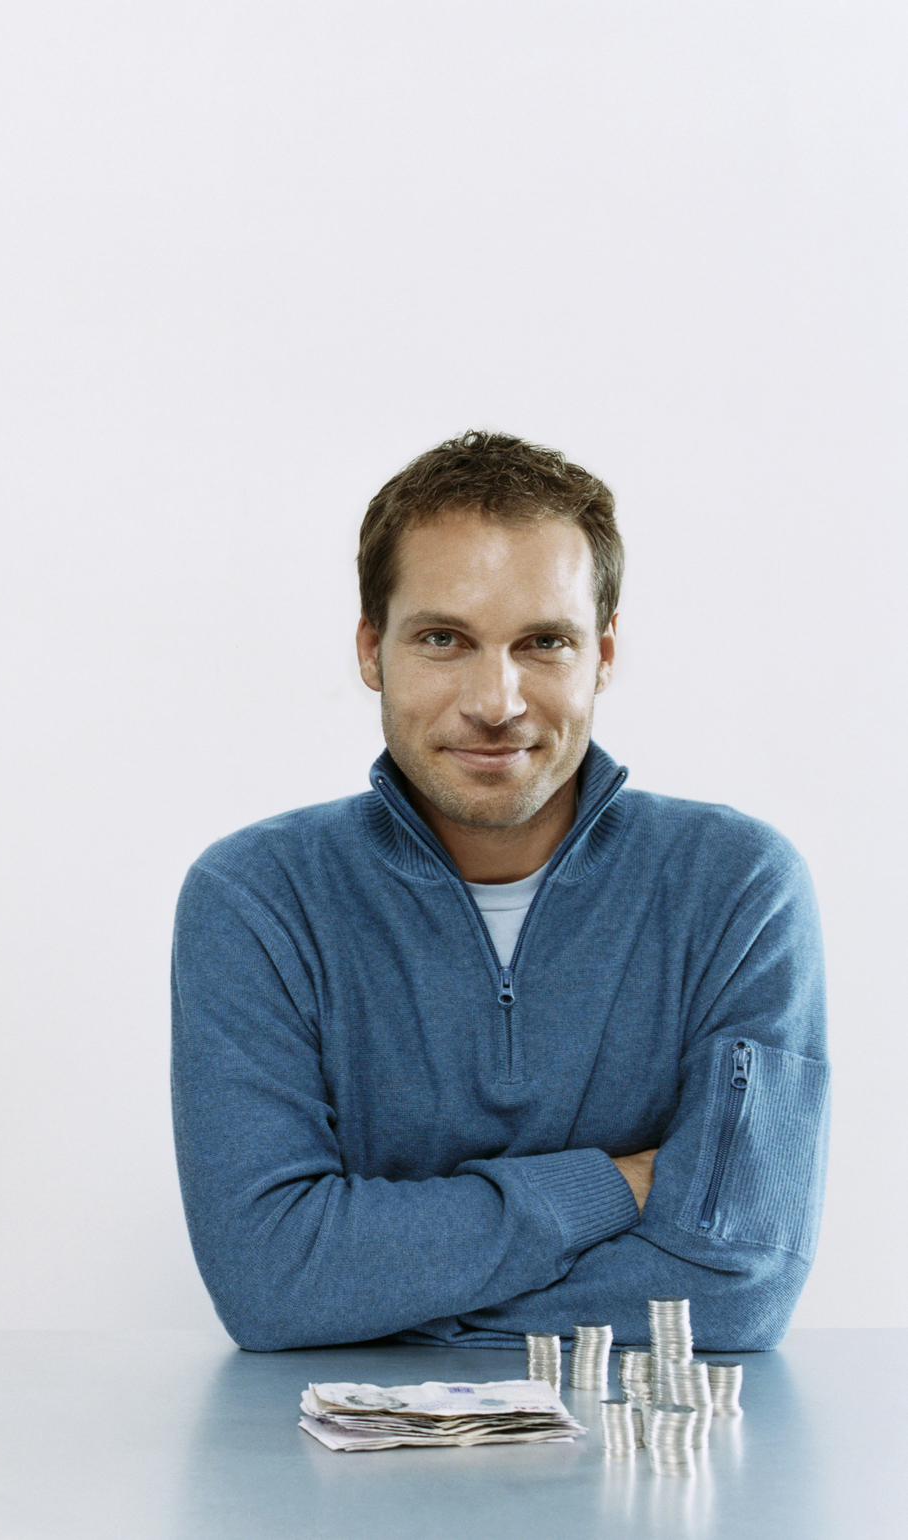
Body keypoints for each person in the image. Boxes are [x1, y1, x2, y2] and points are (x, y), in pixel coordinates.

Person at [171, 432, 828, 1353]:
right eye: (444, 639)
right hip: (344, 1482)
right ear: (372, 649)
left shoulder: (738, 888)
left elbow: (736, 1289)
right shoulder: (256, 898)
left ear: (601, 656)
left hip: (644, 1473)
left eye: (544, 642)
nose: (497, 699)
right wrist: (622, 1186)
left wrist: (377, 1296)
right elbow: (271, 1281)